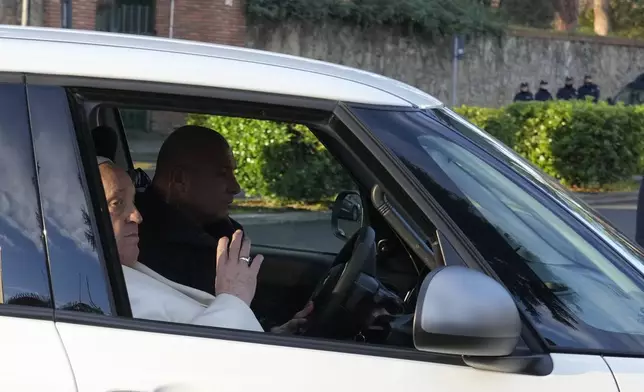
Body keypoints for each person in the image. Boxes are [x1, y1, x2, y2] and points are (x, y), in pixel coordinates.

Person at [135, 125, 312, 332]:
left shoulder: (211, 230)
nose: (235, 187)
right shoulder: (146, 247)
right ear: (180, 180)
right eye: (222, 174)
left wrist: (275, 334)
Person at [98, 156, 264, 331]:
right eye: (117, 203)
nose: (137, 217)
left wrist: (273, 335)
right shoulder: (102, 291)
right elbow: (190, 354)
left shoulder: (115, 273)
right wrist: (233, 300)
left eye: (133, 201)